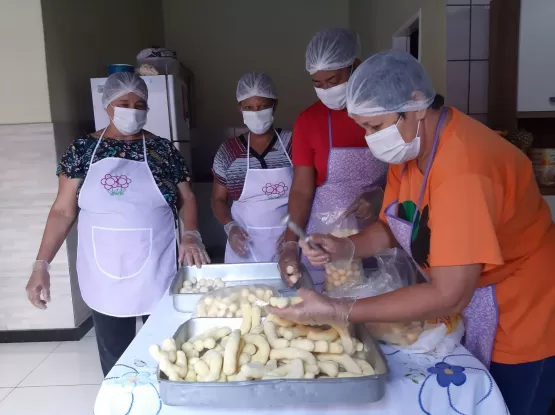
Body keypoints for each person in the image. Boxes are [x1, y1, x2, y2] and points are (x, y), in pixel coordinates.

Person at [273, 50, 555, 415]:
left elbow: (450, 294)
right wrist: (345, 247)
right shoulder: (412, 150)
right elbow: (394, 224)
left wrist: (339, 309)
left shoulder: (464, 170)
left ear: (418, 104)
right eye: (363, 127)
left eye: (375, 127)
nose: (370, 139)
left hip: (521, 311)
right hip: (474, 300)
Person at [25, 72, 210, 376]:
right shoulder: (82, 150)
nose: (133, 109)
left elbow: (187, 198)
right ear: (108, 105)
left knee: (166, 353)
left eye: (140, 103)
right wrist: (41, 265)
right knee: (115, 360)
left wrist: (190, 234)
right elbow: (62, 211)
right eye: (124, 102)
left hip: (156, 265)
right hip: (103, 270)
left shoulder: (163, 150)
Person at [278, 28, 388, 282]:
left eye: (334, 80)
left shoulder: (384, 113)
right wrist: (290, 244)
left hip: (380, 234)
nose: (326, 89)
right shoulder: (308, 121)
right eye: (318, 83)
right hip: (325, 242)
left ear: (356, 66)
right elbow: (302, 191)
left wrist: (380, 195)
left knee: (380, 301)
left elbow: (407, 172)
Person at [212, 72, 293, 263]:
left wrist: (294, 232)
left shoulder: (293, 143)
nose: (256, 113)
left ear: (275, 105)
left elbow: (309, 192)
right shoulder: (229, 151)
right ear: (240, 108)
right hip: (244, 250)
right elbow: (218, 199)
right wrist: (229, 227)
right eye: (249, 107)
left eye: (263, 107)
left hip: (290, 245)